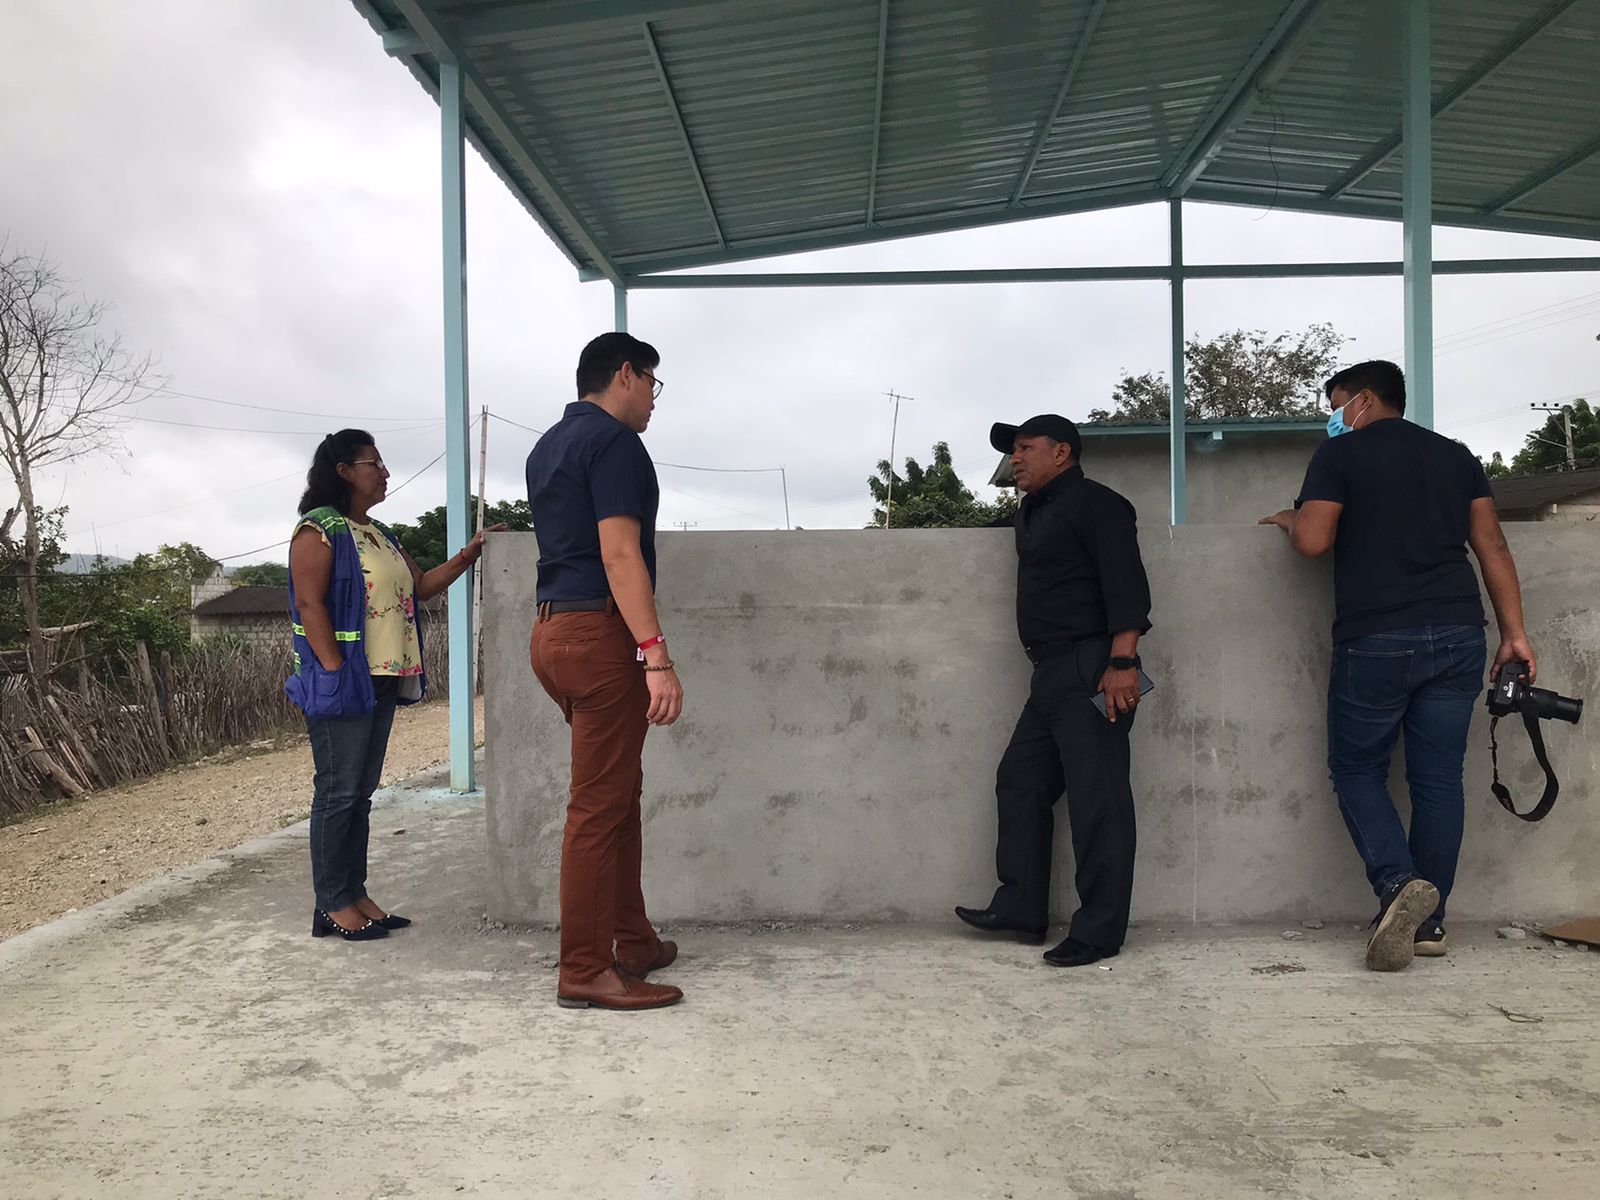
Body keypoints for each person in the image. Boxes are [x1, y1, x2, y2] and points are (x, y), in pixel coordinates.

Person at [1260, 360, 1534, 972]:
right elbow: (1491, 544)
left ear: (1362, 400)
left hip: (1378, 634)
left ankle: (1397, 885)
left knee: (1357, 768)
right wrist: (1514, 635)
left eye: (1336, 404)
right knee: (1438, 780)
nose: (1333, 417)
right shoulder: (1455, 456)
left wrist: (1290, 519)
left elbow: (1313, 541)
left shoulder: (1340, 454)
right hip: (1459, 631)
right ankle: (1428, 925)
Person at [287, 428, 500, 941]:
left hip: (382, 678)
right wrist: (334, 670)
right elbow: (310, 604)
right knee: (337, 792)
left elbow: (421, 586)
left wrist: (469, 554)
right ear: (344, 471)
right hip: (345, 679)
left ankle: (354, 893)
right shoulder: (318, 530)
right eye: (374, 464)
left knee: (359, 794)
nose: (385, 473)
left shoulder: (379, 533)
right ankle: (331, 903)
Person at [956, 415, 1152, 968]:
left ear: (1061, 452)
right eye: (1013, 451)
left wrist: (1122, 662)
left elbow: (1127, 586)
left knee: (1097, 801)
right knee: (1020, 780)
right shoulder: (1032, 512)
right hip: (1048, 673)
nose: (1015, 458)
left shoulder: (1100, 504)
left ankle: (1099, 932)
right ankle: (1021, 907)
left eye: (1025, 448)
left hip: (1093, 665)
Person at [526, 333, 685, 1011]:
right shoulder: (615, 442)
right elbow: (621, 555)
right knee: (597, 807)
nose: (653, 399)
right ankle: (586, 969)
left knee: (616, 794)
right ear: (625, 374)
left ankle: (634, 940)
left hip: (553, 634)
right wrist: (657, 656)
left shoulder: (548, 445)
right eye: (652, 382)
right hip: (599, 636)